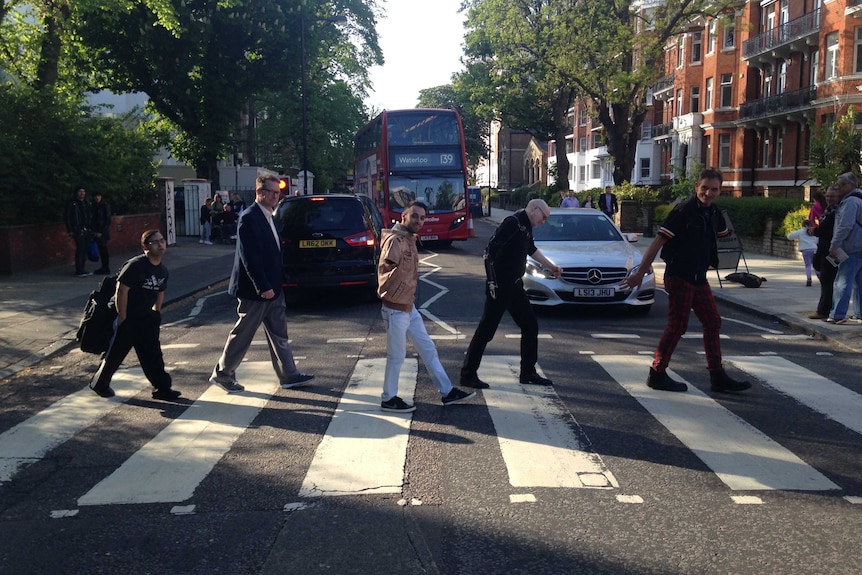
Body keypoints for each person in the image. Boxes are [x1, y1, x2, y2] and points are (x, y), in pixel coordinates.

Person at [622, 167, 751, 394]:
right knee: (678, 325)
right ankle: (657, 373)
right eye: (704, 188)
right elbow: (657, 243)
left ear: (720, 191)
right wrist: (640, 274)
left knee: (712, 321)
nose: (708, 193)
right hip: (679, 276)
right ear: (696, 187)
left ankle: (717, 376)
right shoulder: (683, 211)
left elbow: (721, 234)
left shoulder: (713, 212)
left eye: (714, 190)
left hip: (698, 277)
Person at [210, 175, 314, 393]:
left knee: (279, 333)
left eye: (278, 193)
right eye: (273, 192)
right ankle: (223, 374)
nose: (277, 196)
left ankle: (289, 375)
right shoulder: (249, 218)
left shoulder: (270, 217)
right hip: (256, 290)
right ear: (260, 193)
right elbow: (250, 257)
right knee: (243, 333)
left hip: (273, 287)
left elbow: (274, 252)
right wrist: (263, 286)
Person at [377, 201, 477, 412]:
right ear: (403, 216)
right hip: (396, 308)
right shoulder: (396, 240)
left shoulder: (409, 239)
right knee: (396, 356)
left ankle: (447, 392)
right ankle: (389, 398)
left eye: (422, 218)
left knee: (428, 349)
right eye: (414, 216)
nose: (419, 221)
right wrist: (393, 288)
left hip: (408, 307)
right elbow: (385, 269)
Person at [460, 199, 562, 389]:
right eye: (544, 217)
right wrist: (492, 281)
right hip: (500, 286)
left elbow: (531, 249)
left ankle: (528, 372)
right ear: (534, 209)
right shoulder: (512, 223)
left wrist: (552, 266)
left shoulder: (526, 225)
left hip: (515, 286)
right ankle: (468, 374)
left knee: (530, 325)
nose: (544, 221)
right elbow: (489, 251)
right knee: (486, 331)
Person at [89, 230, 181, 401]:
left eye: (162, 241)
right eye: (156, 242)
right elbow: (121, 290)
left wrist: (156, 312)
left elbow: (160, 292)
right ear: (145, 246)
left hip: (146, 317)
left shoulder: (162, 270)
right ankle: (100, 384)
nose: (161, 245)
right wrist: (122, 316)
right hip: (128, 316)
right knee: (115, 354)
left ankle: (162, 388)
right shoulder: (135, 265)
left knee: (153, 354)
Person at [826, 172, 862, 324]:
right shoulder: (859, 199)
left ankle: (837, 315)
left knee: (842, 282)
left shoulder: (850, 202)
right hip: (859, 246)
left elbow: (845, 226)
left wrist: (834, 245)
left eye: (841, 185)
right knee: (860, 283)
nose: (838, 188)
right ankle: (860, 313)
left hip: (851, 247)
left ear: (852, 185)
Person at [810, 185, 840, 320]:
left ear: (838, 197)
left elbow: (827, 231)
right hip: (824, 249)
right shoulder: (829, 210)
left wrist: (814, 231)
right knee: (827, 280)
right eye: (827, 196)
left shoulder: (836, 212)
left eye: (832, 196)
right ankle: (828, 308)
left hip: (831, 251)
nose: (829, 199)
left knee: (827, 280)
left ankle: (824, 310)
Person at [65, 186, 92, 277]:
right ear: (76, 193)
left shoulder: (86, 203)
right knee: (80, 249)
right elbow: (68, 217)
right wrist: (70, 230)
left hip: (86, 229)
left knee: (84, 249)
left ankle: (82, 268)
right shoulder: (73, 203)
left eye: (83, 191)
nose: (82, 193)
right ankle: (78, 270)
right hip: (77, 229)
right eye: (80, 191)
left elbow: (88, 215)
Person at [786, 220, 818, 287]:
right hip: (814, 249)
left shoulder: (800, 232)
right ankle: (820, 276)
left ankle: (809, 279)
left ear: (803, 225)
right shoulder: (813, 231)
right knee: (815, 265)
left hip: (805, 250)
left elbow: (789, 236)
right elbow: (817, 240)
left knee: (808, 265)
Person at [91, 192, 112, 274]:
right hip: (97, 231)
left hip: (102, 232)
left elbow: (107, 220)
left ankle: (105, 267)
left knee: (103, 249)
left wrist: (101, 232)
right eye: (96, 196)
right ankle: (104, 267)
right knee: (101, 249)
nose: (97, 198)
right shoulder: (94, 206)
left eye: (98, 196)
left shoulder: (104, 206)